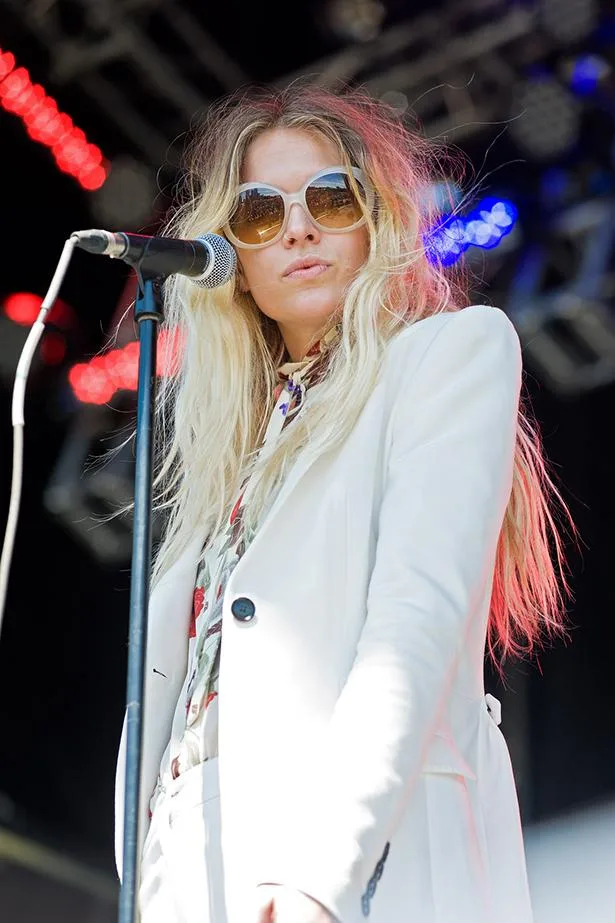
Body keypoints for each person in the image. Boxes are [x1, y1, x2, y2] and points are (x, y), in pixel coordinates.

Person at [113, 81, 577, 923]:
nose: (297, 227)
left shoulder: (445, 357)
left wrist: (319, 877)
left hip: (345, 860)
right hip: (188, 867)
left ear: (374, 222)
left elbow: (413, 622)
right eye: (259, 213)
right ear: (235, 261)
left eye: (329, 198)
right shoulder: (232, 457)